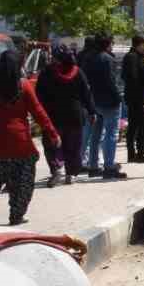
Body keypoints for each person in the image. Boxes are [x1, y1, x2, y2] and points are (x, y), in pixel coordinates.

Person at [0, 51, 59, 227]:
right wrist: (52, 133)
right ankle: (16, 215)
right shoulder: (24, 86)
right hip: (18, 144)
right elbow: (39, 112)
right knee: (22, 182)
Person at [36, 45, 97, 187]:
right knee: (73, 146)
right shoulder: (78, 72)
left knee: (52, 145)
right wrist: (92, 111)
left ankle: (57, 169)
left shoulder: (47, 72)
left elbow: (39, 95)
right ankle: (71, 174)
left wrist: (39, 114)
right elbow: (86, 94)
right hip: (74, 115)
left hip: (53, 116)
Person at [80, 34, 126, 179]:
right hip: (109, 102)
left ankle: (93, 166)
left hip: (93, 100)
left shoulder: (88, 59)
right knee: (111, 135)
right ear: (107, 45)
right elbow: (112, 82)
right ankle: (109, 166)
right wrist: (118, 98)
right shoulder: (108, 59)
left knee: (95, 135)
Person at [122, 34, 144, 163]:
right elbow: (134, 78)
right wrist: (143, 97)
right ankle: (139, 153)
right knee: (139, 126)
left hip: (133, 97)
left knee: (134, 126)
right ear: (140, 44)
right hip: (138, 98)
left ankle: (134, 153)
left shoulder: (132, 56)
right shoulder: (133, 57)